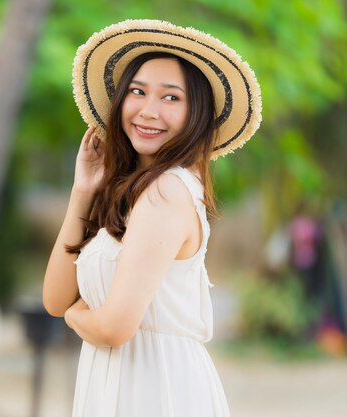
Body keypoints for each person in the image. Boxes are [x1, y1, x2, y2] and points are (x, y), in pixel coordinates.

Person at [42, 20, 262, 416]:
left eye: (171, 98)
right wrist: (84, 191)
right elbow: (56, 298)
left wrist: (79, 316)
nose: (148, 111)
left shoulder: (167, 192)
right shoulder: (130, 194)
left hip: (157, 391)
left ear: (197, 113)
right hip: (119, 386)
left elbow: (112, 327)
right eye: (137, 92)